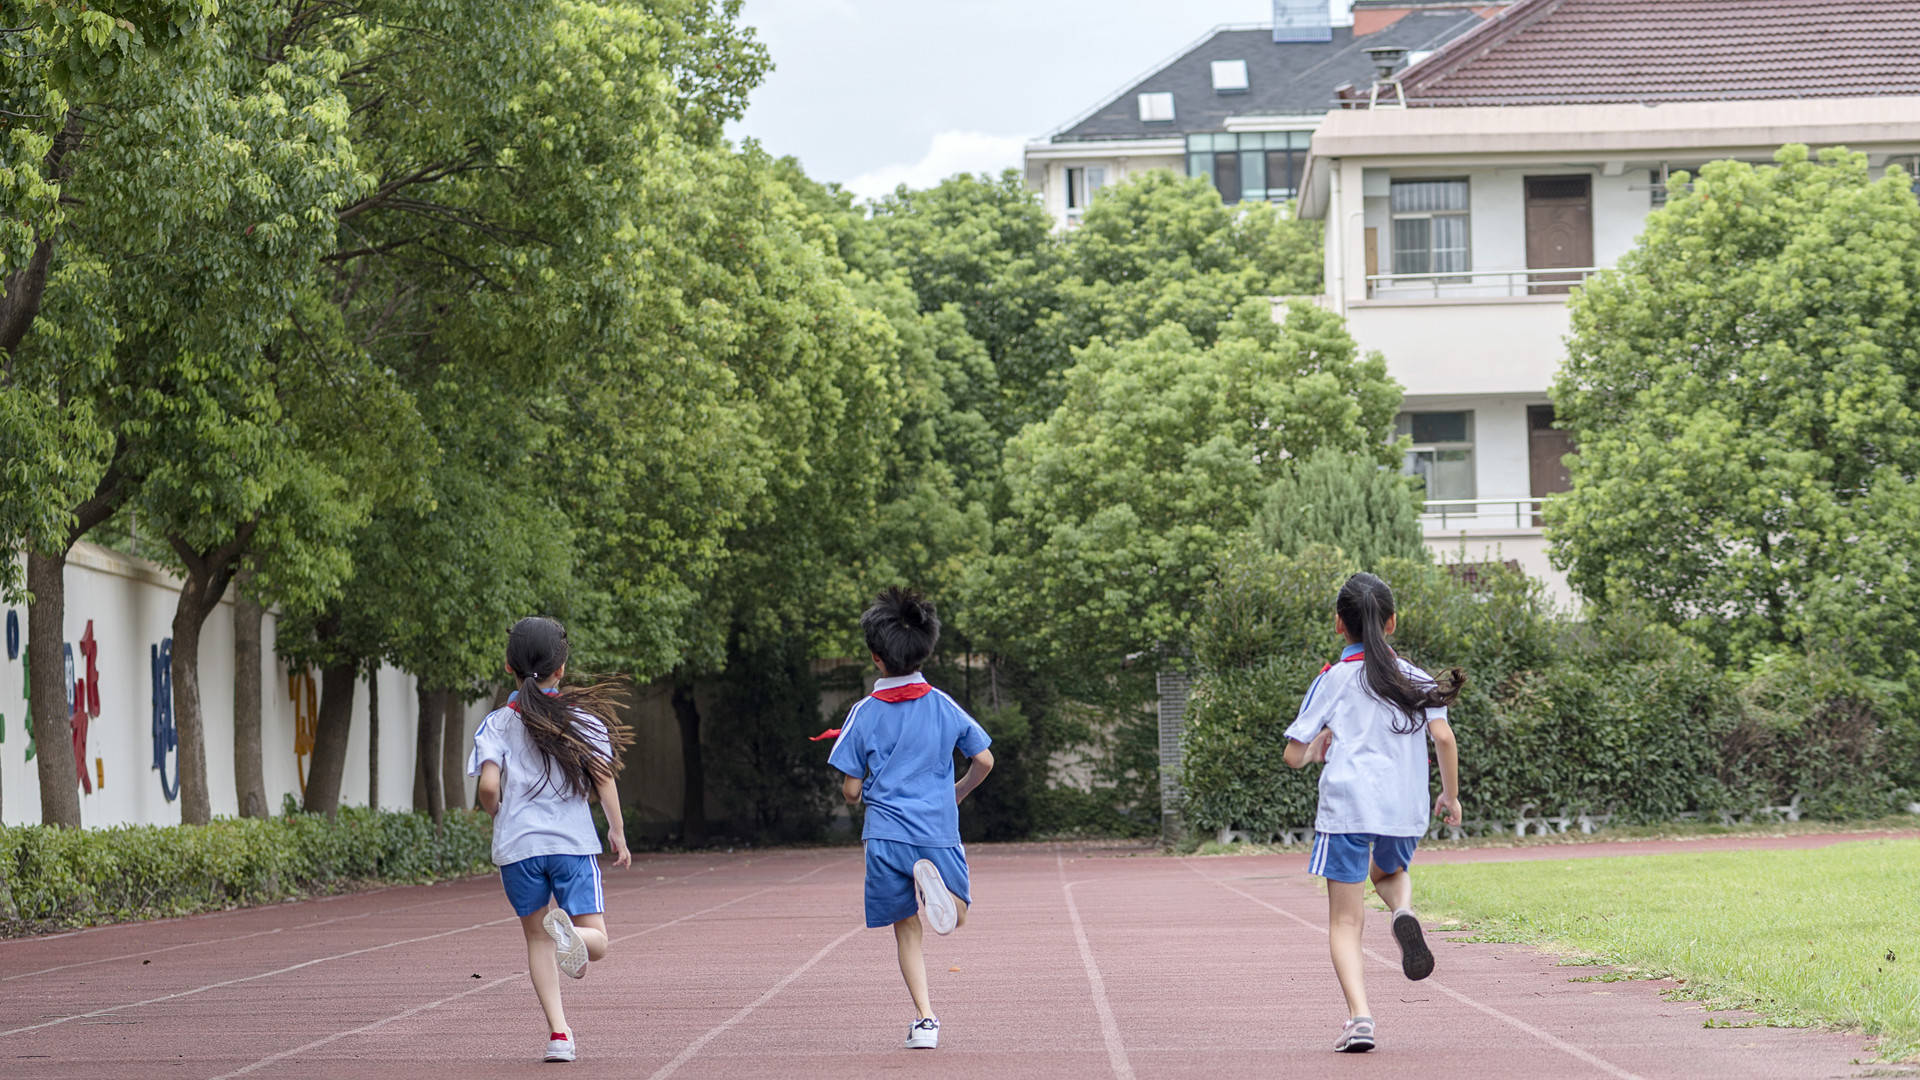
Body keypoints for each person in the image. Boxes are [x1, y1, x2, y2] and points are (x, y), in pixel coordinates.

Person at [1283, 572, 1464, 1054]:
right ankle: (1403, 911)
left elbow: (1293, 755)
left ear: (1340, 626)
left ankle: (1360, 1018)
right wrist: (1450, 797)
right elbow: (1444, 738)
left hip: (1346, 808)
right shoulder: (1416, 677)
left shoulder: (1333, 679)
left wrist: (1319, 744)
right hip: (1403, 806)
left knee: (1345, 921)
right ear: (1392, 622)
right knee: (1390, 873)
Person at [828, 587, 994, 1050]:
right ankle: (940, 890)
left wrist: (854, 794)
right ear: (926, 650)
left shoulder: (863, 713)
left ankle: (925, 1020)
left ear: (876, 659)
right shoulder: (944, 705)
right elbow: (984, 760)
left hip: (885, 835)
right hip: (937, 829)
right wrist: (955, 793)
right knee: (956, 917)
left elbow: (850, 789)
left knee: (907, 929)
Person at [470, 616, 634, 1064]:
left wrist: (497, 813)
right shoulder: (581, 719)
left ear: (509, 667)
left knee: (538, 939)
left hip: (517, 849)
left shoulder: (496, 724)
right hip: (572, 844)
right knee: (596, 939)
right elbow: (604, 780)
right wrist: (616, 832)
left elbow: (488, 787)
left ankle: (559, 1036)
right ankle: (576, 937)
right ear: (561, 669)